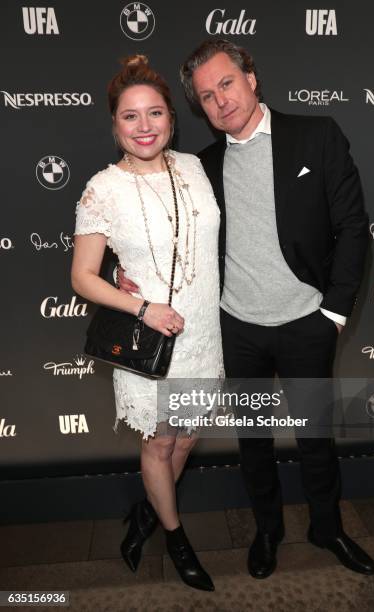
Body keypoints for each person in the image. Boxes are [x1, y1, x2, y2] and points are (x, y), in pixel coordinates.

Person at [119, 39, 374, 579]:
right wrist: (123, 276)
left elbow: (353, 227)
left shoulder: (316, 135)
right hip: (237, 327)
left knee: (315, 438)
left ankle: (328, 528)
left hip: (309, 320)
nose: (221, 102)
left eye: (227, 84)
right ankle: (268, 531)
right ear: (199, 107)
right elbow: (144, 217)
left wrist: (332, 313)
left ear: (252, 78)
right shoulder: (198, 167)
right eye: (207, 96)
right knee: (254, 442)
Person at [71, 54, 223, 592]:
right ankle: (175, 536)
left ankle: (146, 512)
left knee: (186, 440)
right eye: (130, 116)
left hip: (204, 333)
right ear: (114, 124)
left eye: (154, 113)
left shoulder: (197, 168)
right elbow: (83, 277)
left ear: (172, 120)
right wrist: (139, 305)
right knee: (159, 444)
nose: (144, 126)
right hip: (151, 338)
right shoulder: (101, 189)